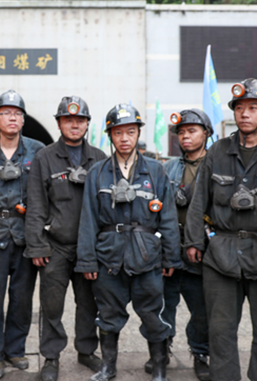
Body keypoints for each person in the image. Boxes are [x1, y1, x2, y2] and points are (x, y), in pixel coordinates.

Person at [185, 78, 257, 381]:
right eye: (239, 108)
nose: (245, 114)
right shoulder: (217, 151)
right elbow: (199, 202)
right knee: (220, 333)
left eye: (253, 107)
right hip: (222, 255)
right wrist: (194, 241)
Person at [75, 103, 181, 381]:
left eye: (130, 132)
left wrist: (170, 257)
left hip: (147, 257)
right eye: (118, 132)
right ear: (110, 135)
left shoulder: (156, 171)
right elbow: (88, 218)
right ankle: (108, 368)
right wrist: (87, 259)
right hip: (109, 257)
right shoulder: (97, 173)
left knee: (153, 315)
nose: (124, 138)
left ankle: (159, 367)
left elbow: (168, 217)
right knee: (108, 315)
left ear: (137, 134)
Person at [25, 96, 106, 381]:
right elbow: (35, 204)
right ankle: (50, 357)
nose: (74, 125)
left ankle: (86, 351)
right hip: (55, 246)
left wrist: (102, 248)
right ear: (59, 122)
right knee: (52, 305)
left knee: (89, 303)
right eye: (68, 120)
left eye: (80, 120)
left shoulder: (99, 158)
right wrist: (36, 243)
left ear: (87, 124)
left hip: (88, 248)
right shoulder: (44, 157)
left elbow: (106, 207)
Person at [0, 90, 45, 380]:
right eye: (6, 113)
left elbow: (41, 195)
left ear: (23, 120)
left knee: (22, 298)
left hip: (25, 234)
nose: (12, 118)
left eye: (17, 113)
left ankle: (15, 349)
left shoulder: (37, 150)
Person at [160, 109, 213, 381]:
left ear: (206, 133)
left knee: (202, 308)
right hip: (170, 248)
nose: (186, 136)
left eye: (192, 130)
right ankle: (161, 349)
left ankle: (201, 352)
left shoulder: (215, 165)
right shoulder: (168, 168)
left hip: (202, 251)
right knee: (163, 304)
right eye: (181, 132)